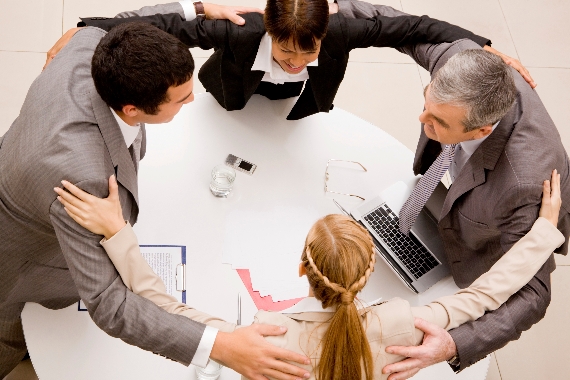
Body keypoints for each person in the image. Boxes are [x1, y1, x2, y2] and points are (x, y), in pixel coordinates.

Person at [0, 18, 312, 380]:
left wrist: (199, 7)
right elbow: (111, 304)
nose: (193, 99)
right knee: (7, 335)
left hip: (20, 171)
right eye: (181, 99)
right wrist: (220, 347)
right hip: (19, 255)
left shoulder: (88, 45)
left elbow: (126, 21)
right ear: (132, 109)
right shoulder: (84, 177)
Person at [53, 169, 564, 380]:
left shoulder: (267, 334)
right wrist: (542, 231)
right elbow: (487, 294)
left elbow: (161, 304)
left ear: (302, 266)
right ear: (368, 271)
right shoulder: (407, 326)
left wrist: (118, 232)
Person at [332, 0, 570, 378]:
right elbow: (404, 27)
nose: (421, 120)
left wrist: (454, 344)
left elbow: (534, 294)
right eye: (426, 104)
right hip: (450, 198)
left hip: (479, 247)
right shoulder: (457, 61)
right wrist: (332, 7)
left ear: (481, 131)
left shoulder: (525, 182)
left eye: (437, 122)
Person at [76, 0, 499, 121]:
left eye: (309, 50)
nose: (296, 61)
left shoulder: (343, 31)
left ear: (324, 34)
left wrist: (477, 44)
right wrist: (90, 28)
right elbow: (168, 24)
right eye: (285, 50)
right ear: (269, 30)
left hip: (299, 101)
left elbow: (411, 27)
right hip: (235, 89)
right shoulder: (240, 30)